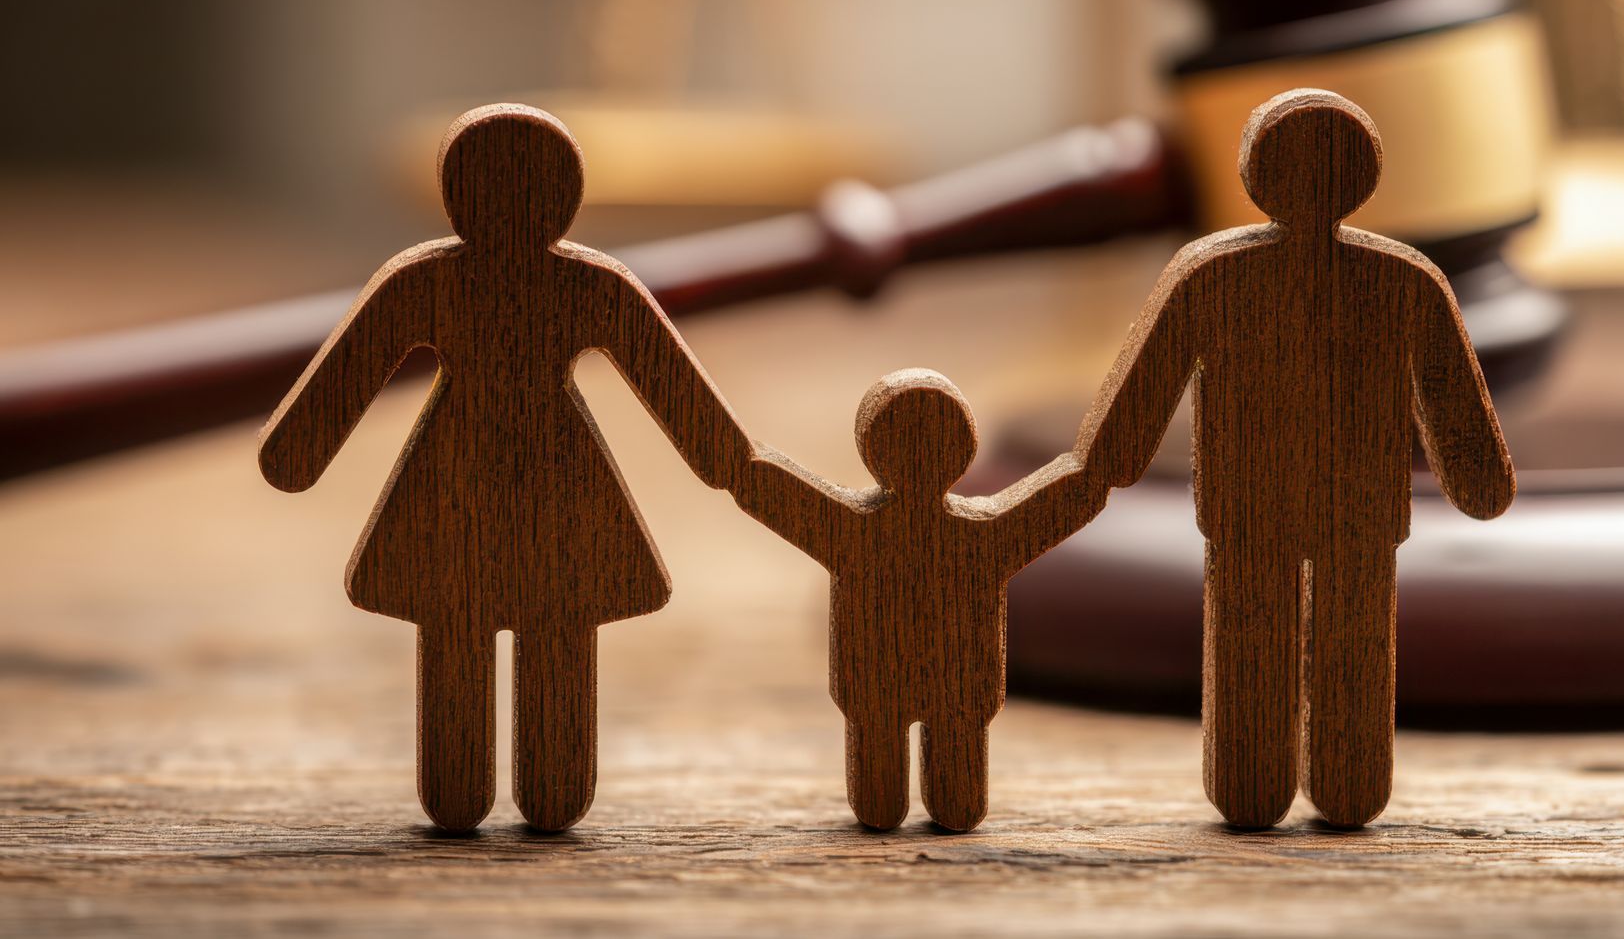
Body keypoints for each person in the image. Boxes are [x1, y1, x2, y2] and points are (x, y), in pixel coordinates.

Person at [258, 104, 748, 832]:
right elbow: (684, 402)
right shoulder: (580, 284)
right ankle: (540, 790)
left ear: (454, 193)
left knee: (478, 629)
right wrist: (727, 461)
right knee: (540, 631)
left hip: (458, 486)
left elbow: (333, 396)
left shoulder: (438, 282)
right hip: (557, 489)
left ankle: (492, 791)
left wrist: (297, 454)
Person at [1076, 89, 1515, 829]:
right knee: (1351, 645)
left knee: (1255, 641)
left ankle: (1258, 784)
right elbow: (1456, 405)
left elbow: (1146, 388)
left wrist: (1108, 463)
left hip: (1257, 507)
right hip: (1349, 511)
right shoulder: (1402, 279)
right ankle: (1345, 784)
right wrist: (1478, 482)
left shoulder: (1216, 275)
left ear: (1257, 175)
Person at [728, 368, 1107, 831]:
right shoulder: (983, 535)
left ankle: (917, 802)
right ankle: (934, 801)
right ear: (963, 449)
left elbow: (749, 476)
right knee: (944, 802)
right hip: (948, 690)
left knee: (891, 803)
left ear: (873, 449)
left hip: (889, 689)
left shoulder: (851, 530)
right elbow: (1085, 485)